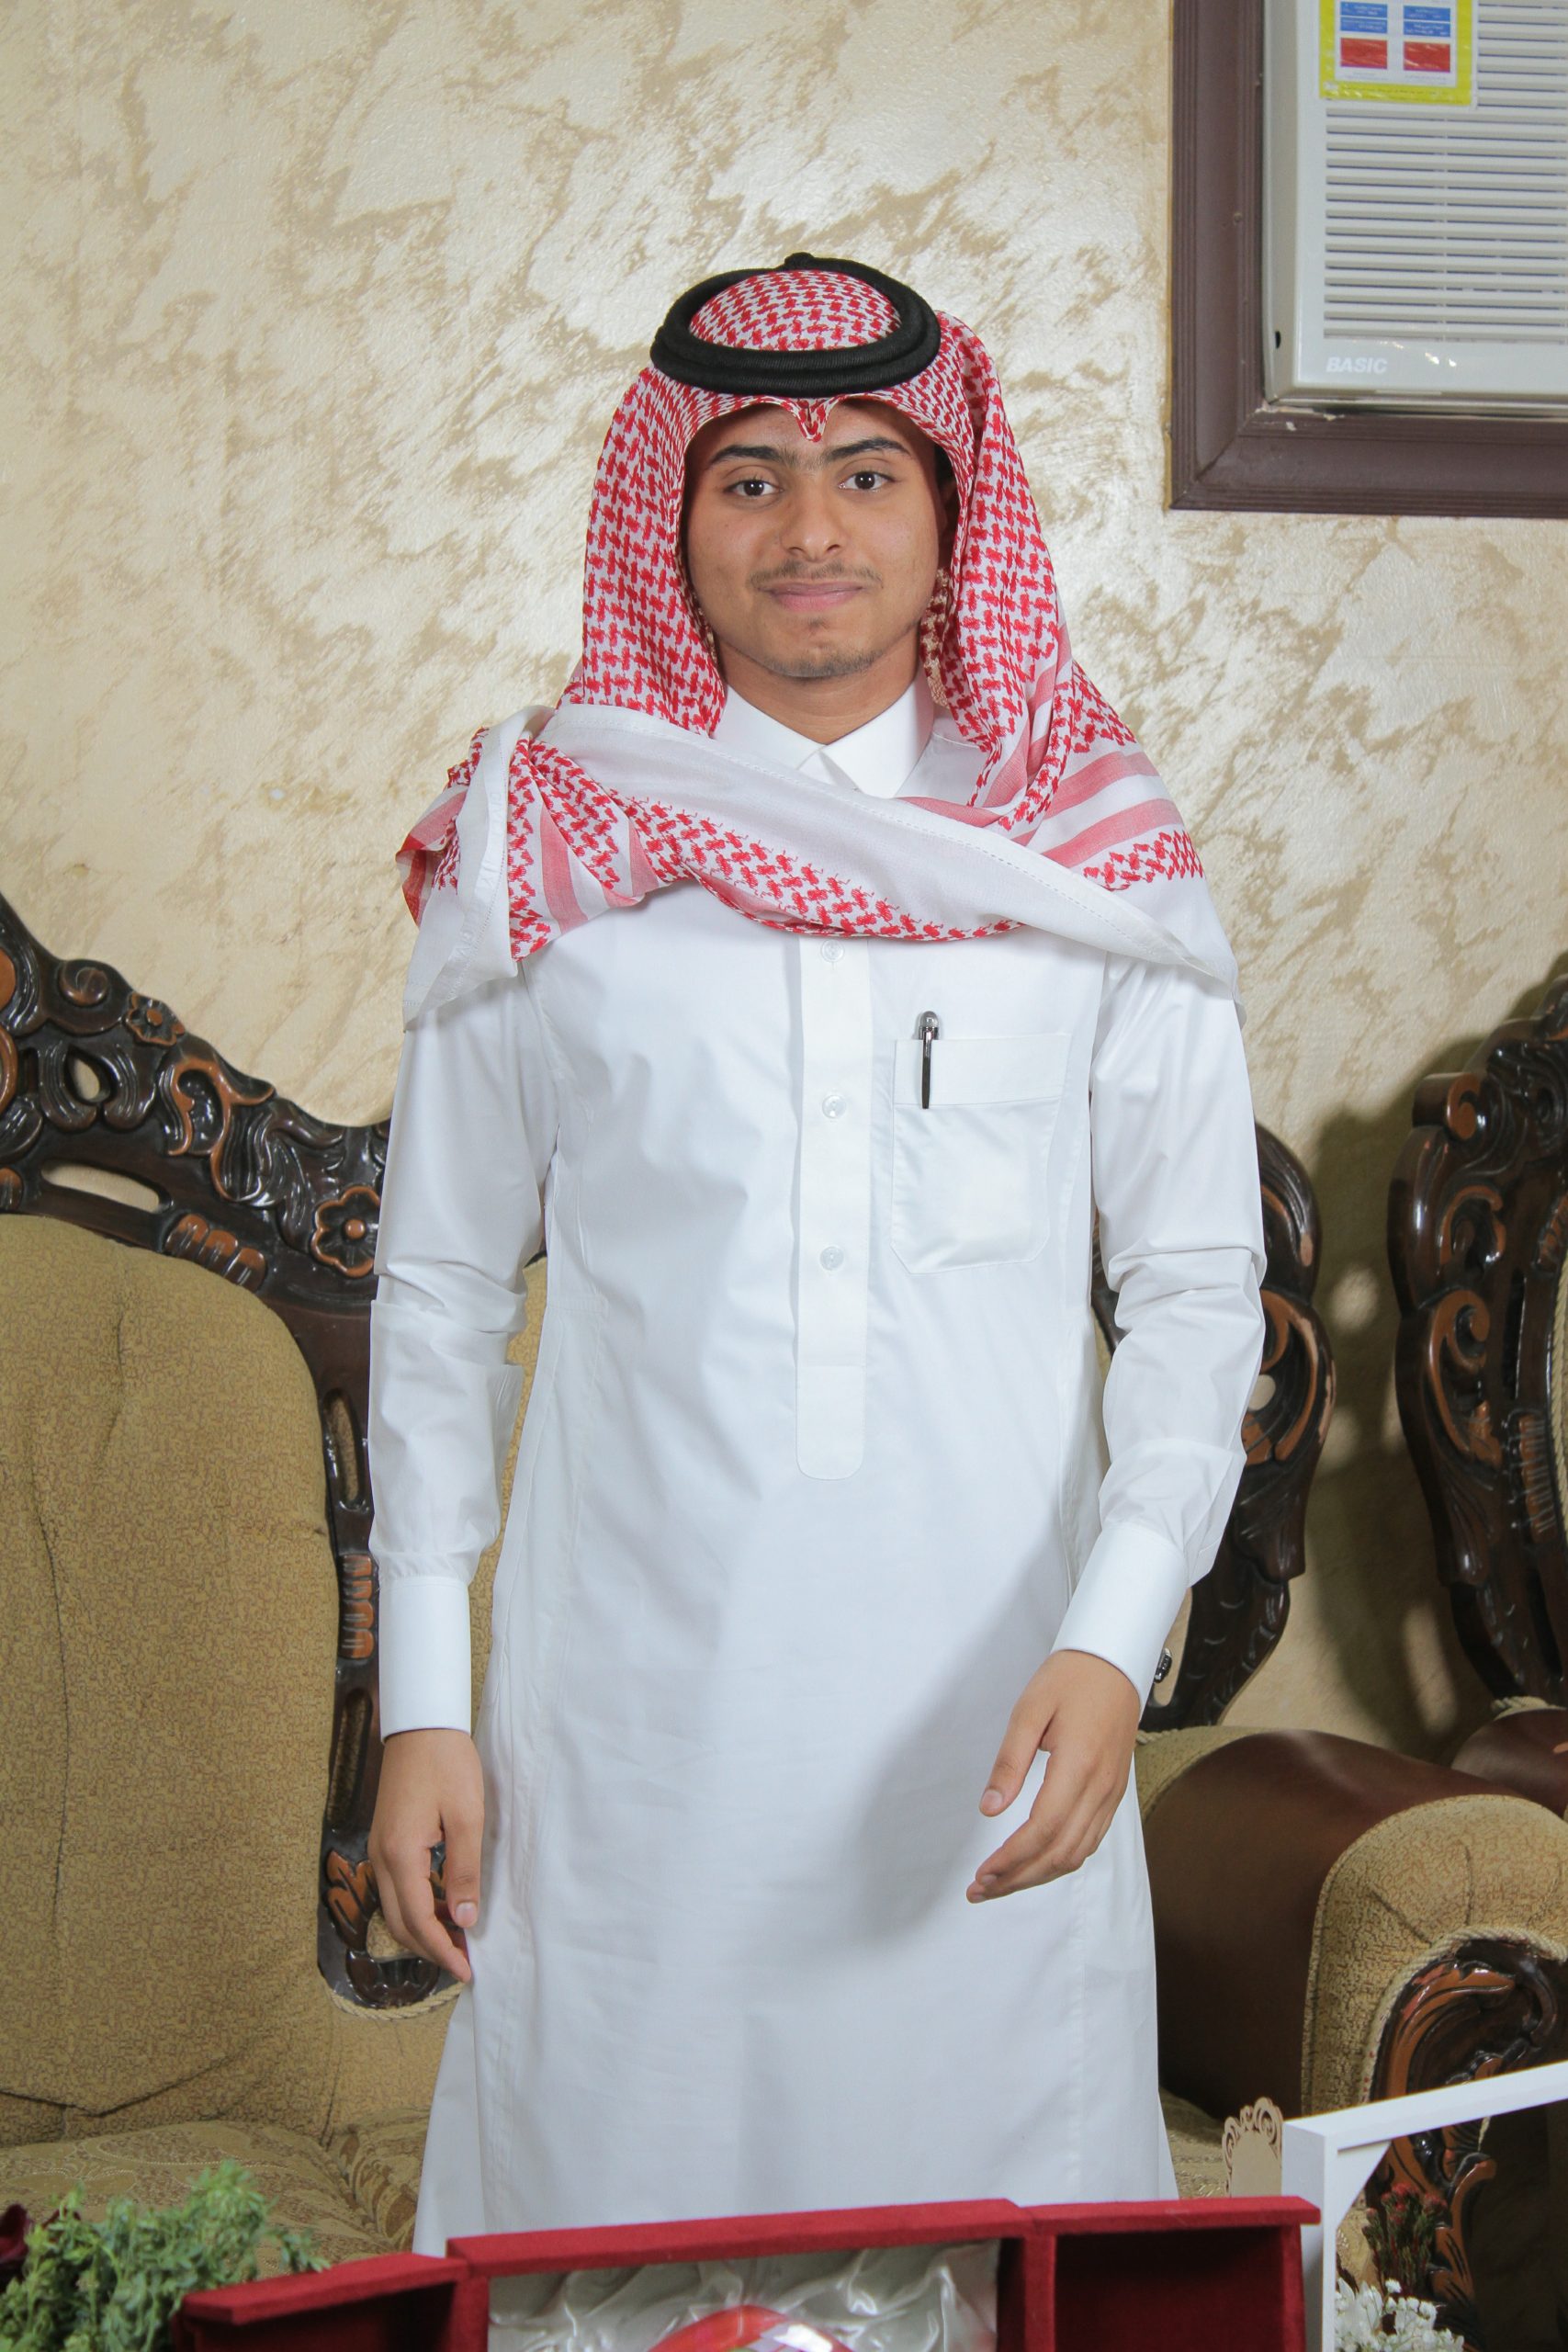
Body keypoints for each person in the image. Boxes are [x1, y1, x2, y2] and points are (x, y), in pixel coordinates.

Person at [366, 254, 1266, 2245]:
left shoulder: (1090, 853)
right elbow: (436, 1295)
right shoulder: (547, 841)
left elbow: (1200, 1293)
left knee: (993, 2265)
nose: (810, 530)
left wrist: (1116, 1638)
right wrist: (423, 1695)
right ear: (669, 519)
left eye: (866, 471)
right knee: (612, 2260)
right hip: (631, 1745)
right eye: (749, 477)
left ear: (951, 513)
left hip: (994, 1727)